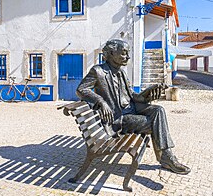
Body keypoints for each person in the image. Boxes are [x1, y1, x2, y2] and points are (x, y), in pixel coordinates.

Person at [76, 39, 190, 175]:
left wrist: (148, 93)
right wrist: (101, 101)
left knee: (158, 110)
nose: (128, 57)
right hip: (120, 118)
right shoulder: (98, 71)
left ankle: (166, 156)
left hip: (132, 108)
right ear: (111, 53)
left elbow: (132, 96)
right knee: (156, 124)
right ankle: (167, 157)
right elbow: (81, 89)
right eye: (124, 53)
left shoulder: (122, 72)